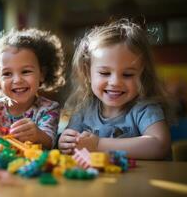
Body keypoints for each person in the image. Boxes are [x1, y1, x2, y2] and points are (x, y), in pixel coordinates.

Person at [58, 19, 173, 159]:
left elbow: (160, 145)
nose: (115, 82)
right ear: (88, 72)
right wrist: (65, 142)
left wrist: (98, 145)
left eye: (127, 74)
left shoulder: (145, 109)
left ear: (142, 74)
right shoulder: (84, 109)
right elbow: (72, 144)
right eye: (105, 73)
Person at [0, 28, 66, 149]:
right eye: (7, 74)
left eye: (26, 71)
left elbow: (49, 143)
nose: (17, 80)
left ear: (42, 74)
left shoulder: (49, 109)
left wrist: (38, 135)